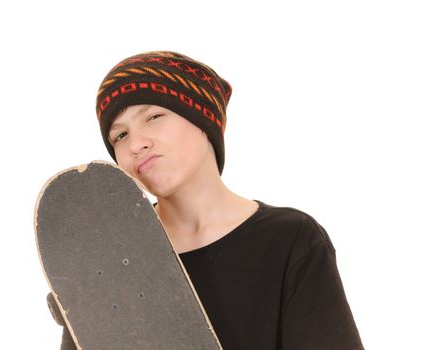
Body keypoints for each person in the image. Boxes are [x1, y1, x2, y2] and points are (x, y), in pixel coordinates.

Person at [46, 51, 364, 349]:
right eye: (120, 136)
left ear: (202, 120)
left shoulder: (290, 240)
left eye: (154, 116)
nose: (136, 144)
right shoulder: (110, 261)